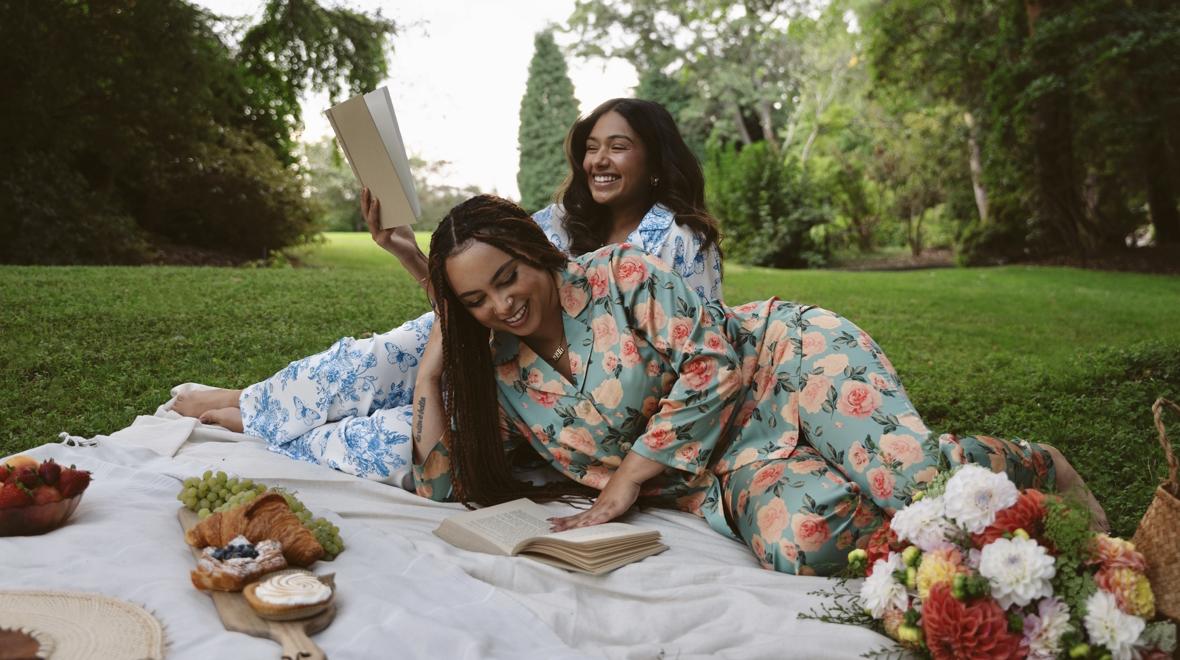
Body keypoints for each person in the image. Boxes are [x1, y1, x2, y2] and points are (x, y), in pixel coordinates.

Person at [410, 194, 1108, 576]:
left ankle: (1033, 463)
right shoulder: (498, 377)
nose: (501, 306)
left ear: (534, 254)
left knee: (906, 480)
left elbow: (715, 364)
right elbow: (440, 488)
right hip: (726, 468)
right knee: (803, 542)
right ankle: (904, 507)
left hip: (783, 364)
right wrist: (431, 372)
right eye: (474, 301)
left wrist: (626, 477)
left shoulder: (617, 275)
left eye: (508, 279)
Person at [172, 99, 724, 486]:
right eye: (591, 148)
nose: (598, 161)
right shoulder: (560, 223)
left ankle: (271, 420)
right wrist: (408, 252)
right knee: (385, 355)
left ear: (654, 159)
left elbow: (694, 353)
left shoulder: (678, 242)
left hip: (560, 399)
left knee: (397, 440)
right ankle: (256, 402)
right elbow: (479, 296)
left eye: (619, 147)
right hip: (491, 343)